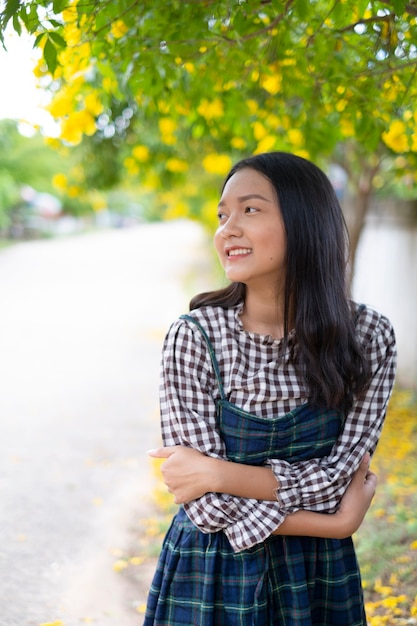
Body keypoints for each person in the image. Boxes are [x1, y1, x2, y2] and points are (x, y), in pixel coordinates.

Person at [144, 152, 397, 626]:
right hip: (212, 572)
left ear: (305, 221)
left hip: (318, 579)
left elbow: (343, 478)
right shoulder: (197, 336)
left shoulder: (368, 337)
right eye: (222, 215)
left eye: (250, 209)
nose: (227, 228)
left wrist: (220, 473)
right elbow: (205, 505)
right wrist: (335, 524)